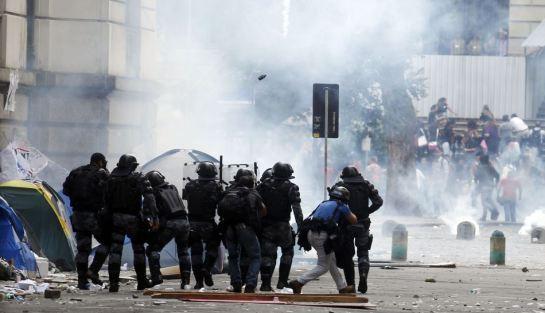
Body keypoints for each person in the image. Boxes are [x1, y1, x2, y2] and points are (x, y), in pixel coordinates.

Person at [288, 186, 357, 294]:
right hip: (322, 236)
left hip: (311, 234)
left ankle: (342, 287)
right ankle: (298, 282)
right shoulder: (341, 205)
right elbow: (353, 220)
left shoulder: (323, 203)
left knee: (331, 261)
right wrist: (348, 209)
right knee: (323, 266)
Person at [105, 155, 159, 292]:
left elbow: (105, 199)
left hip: (116, 218)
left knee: (115, 251)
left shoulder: (111, 178)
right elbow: (149, 197)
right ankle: (141, 282)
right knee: (139, 249)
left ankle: (113, 284)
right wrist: (152, 216)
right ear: (132, 166)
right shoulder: (138, 178)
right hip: (134, 219)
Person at [63, 153, 110, 290]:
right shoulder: (101, 174)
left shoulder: (76, 172)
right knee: (107, 242)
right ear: (100, 161)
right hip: (94, 216)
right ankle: (93, 270)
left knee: (83, 250)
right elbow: (108, 191)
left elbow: (66, 190)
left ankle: (82, 281)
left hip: (78, 215)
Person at [333, 167, 383, 294]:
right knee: (363, 252)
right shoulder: (366, 184)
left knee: (347, 256)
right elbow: (378, 201)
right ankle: (363, 275)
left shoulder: (340, 185)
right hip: (363, 224)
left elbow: (333, 204)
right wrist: (366, 212)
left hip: (346, 225)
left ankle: (351, 285)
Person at [256, 162, 303, 291]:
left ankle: (265, 284)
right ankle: (282, 282)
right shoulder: (291, 187)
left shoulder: (263, 186)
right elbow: (296, 209)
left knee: (267, 255)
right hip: (283, 226)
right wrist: (301, 226)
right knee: (287, 252)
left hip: (266, 226)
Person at [219, 170, 266, 293]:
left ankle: (236, 284)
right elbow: (263, 211)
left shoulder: (228, 192)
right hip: (245, 228)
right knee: (255, 256)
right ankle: (250, 284)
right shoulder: (253, 193)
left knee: (233, 257)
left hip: (229, 228)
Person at [145, 171, 190, 287]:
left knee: (153, 250)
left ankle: (156, 278)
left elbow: (152, 212)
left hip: (170, 224)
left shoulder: (153, 193)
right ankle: (185, 281)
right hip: (184, 222)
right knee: (183, 252)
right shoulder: (173, 188)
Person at [182, 162, 223, 289]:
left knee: (195, 252)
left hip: (192, 223)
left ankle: (199, 282)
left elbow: (186, 199)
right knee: (213, 248)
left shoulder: (189, 185)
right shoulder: (216, 186)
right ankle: (207, 268)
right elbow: (221, 204)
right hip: (208, 222)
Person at [474, 155, 500, 222]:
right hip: (491, 186)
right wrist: (495, 184)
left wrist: (476, 181)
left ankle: (492, 212)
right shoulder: (490, 167)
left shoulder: (480, 167)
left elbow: (476, 177)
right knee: (489, 199)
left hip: (484, 186)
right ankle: (494, 211)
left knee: (484, 202)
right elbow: (497, 175)